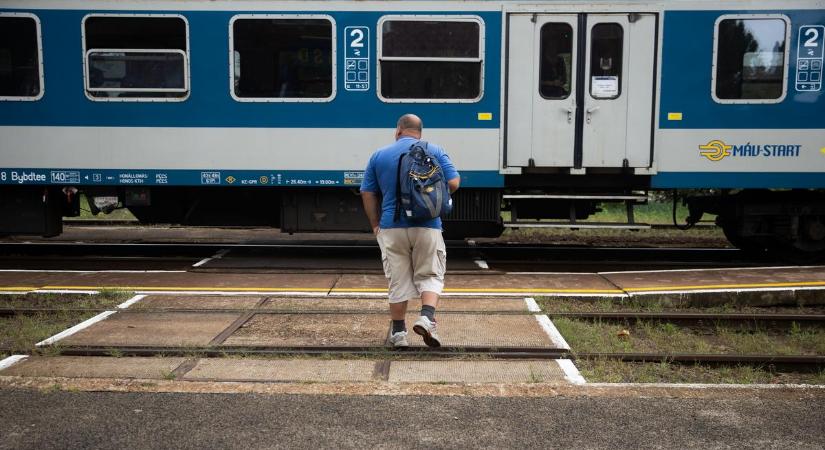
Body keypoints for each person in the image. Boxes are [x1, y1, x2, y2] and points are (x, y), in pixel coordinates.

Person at [360, 114, 460, 348]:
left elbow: (367, 192)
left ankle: (398, 334)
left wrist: (376, 224)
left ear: (398, 131)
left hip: (391, 226)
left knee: (398, 280)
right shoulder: (434, 150)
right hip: (427, 225)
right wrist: (431, 197)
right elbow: (454, 182)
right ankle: (426, 317)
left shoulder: (379, 155)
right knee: (431, 274)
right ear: (420, 133)